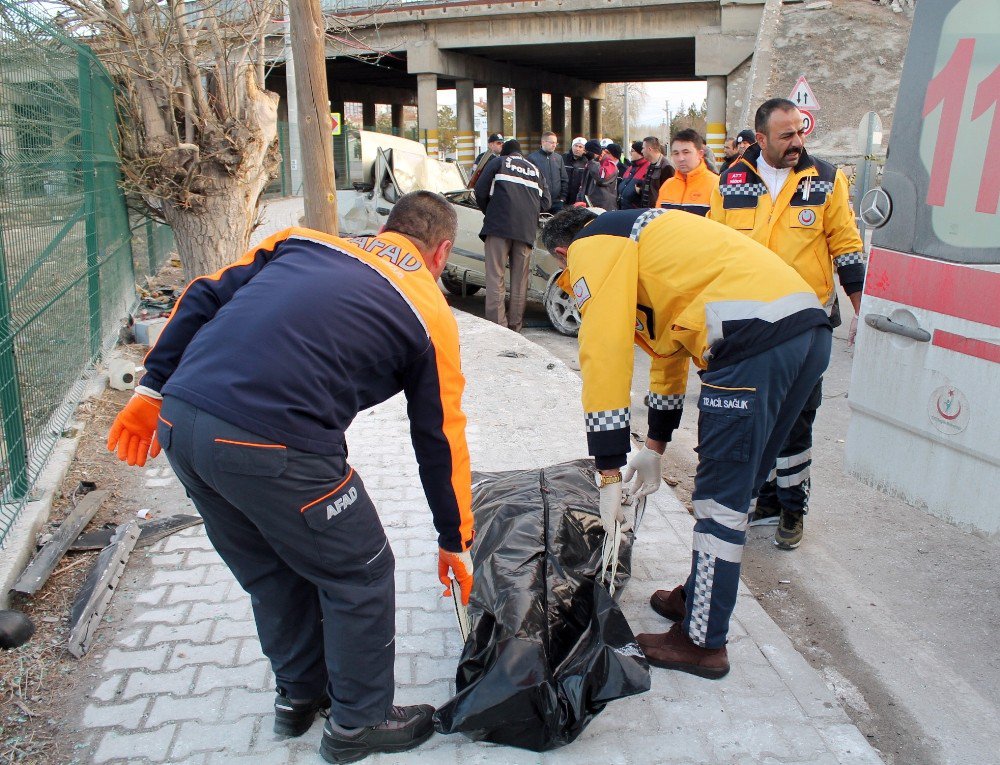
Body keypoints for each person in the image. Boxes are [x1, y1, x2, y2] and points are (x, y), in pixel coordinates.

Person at [106, 191, 476, 764]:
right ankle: (360, 723)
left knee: (272, 570)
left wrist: (151, 388)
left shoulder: (302, 241)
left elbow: (203, 293)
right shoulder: (430, 312)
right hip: (274, 446)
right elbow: (439, 438)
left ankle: (298, 698)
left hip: (181, 423)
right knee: (361, 568)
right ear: (442, 251)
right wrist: (455, 538)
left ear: (384, 228)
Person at [540, 206, 831, 679]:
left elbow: (604, 346)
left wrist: (609, 468)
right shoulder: (645, 238)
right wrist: (654, 446)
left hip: (750, 342)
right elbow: (667, 351)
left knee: (720, 500)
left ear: (562, 252)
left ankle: (702, 641)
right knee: (743, 483)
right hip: (805, 332)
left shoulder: (591, 246)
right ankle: (701, 598)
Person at [710, 98, 865, 549]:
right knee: (759, 416)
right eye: (787, 135)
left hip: (805, 323)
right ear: (760, 139)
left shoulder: (827, 179)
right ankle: (767, 500)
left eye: (801, 132)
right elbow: (717, 249)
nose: (797, 142)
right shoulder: (731, 180)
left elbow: (847, 246)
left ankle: (792, 509)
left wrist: (862, 308)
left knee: (797, 419)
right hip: (751, 324)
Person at [474, 139, 551, 332]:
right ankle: (515, 326)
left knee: (495, 276)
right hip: (525, 231)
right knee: (520, 281)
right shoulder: (535, 169)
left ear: (505, 153)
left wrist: (489, 210)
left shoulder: (499, 162)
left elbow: (479, 190)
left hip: (498, 227)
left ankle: (498, 327)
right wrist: (529, 212)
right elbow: (547, 202)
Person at [654, 129, 718, 216]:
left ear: (700, 154)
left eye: (686, 152)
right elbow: (658, 220)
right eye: (676, 153)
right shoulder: (667, 186)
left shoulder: (716, 185)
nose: (681, 158)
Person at [527, 131, 569, 213]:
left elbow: (564, 179)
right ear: (543, 142)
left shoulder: (558, 158)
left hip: (557, 203)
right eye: (552, 142)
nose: (554, 145)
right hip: (540, 202)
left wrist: (562, 198)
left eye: (556, 143)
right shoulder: (532, 158)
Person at [577, 139, 618, 210]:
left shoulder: (609, 164)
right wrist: (579, 199)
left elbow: (602, 179)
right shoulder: (590, 163)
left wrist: (591, 161)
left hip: (603, 207)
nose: (586, 154)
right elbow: (583, 185)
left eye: (587, 152)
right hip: (589, 205)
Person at [637, 136, 674, 208]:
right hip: (647, 211)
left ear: (649, 149)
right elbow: (651, 189)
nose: (641, 151)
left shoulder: (667, 167)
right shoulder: (650, 166)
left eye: (643, 148)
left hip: (657, 213)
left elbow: (668, 195)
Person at [618, 140, 649, 210]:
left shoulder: (648, 168)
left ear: (640, 152)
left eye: (632, 150)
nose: (630, 153)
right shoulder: (630, 168)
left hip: (636, 212)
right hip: (623, 209)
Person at [564, 136, 590, 207]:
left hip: (578, 199)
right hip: (564, 197)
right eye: (575, 146)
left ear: (584, 150)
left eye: (580, 147)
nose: (577, 149)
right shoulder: (563, 159)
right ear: (572, 146)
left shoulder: (587, 162)